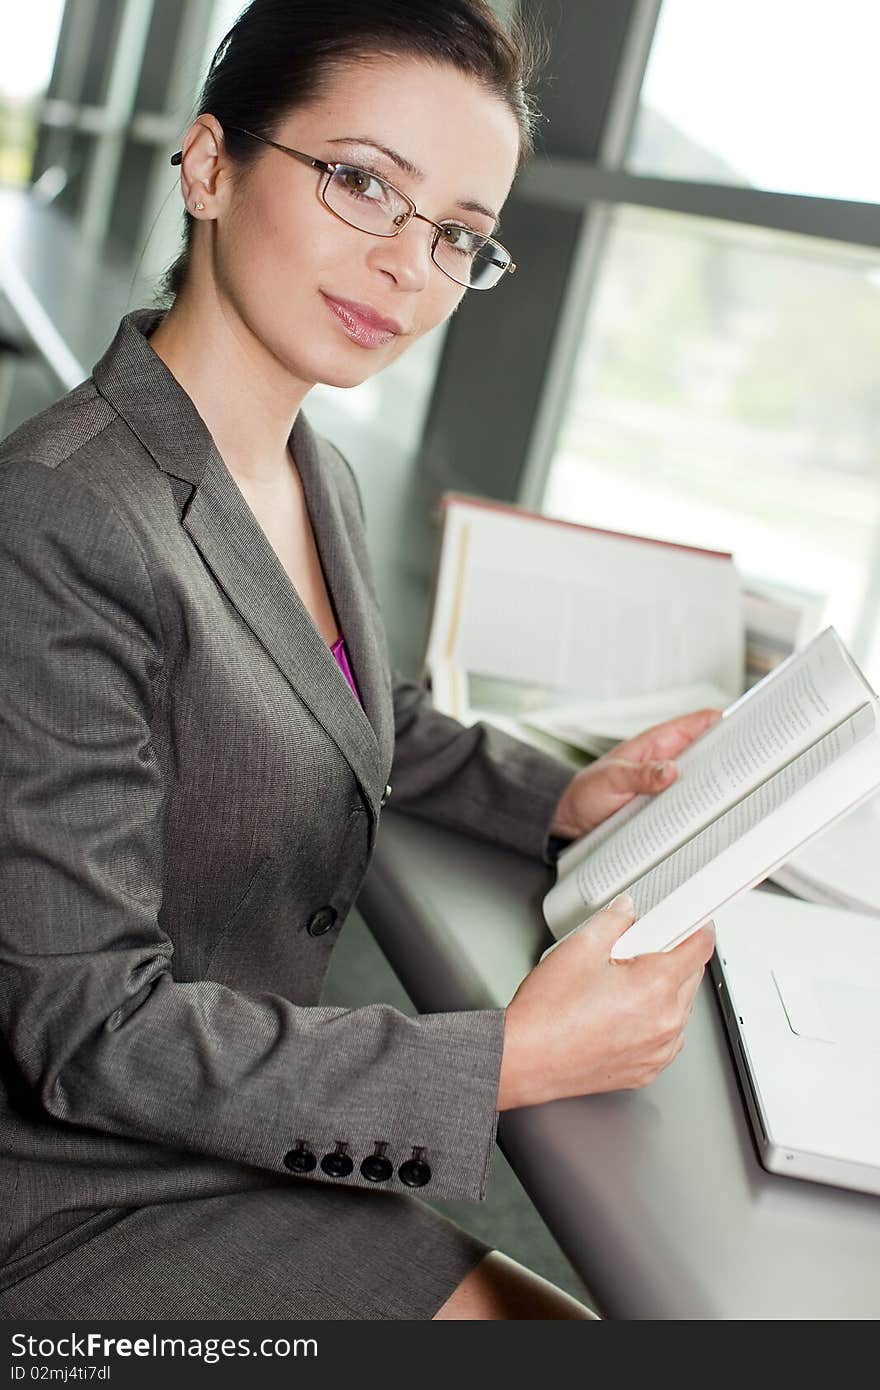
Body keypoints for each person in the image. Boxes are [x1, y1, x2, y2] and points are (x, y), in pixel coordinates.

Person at [0, 0, 716, 1321]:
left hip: (231, 1142)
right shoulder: (61, 514)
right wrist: (504, 1057)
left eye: (458, 235)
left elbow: (332, 696)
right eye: (362, 182)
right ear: (211, 166)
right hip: (70, 1204)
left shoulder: (304, 465)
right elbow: (86, 1029)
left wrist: (554, 795)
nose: (408, 265)